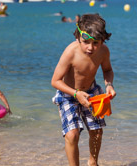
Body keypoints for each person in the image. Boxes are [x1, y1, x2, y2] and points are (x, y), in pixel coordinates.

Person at [51, 13, 116, 166]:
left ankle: (93, 163)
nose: (90, 47)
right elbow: (55, 81)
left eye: (96, 43)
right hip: (68, 93)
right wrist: (75, 93)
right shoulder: (70, 52)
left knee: (97, 131)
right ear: (78, 37)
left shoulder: (104, 51)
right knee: (72, 135)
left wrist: (109, 85)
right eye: (86, 42)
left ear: (103, 40)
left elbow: (107, 70)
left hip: (91, 93)